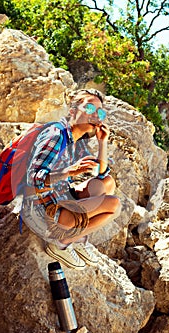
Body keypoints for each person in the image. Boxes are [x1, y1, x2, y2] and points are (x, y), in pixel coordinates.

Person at [22, 88, 121, 270]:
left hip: (60, 200)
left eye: (99, 112)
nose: (96, 115)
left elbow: (100, 172)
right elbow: (34, 178)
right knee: (113, 205)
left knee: (107, 183)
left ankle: (77, 238)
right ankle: (63, 242)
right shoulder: (56, 135)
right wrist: (68, 172)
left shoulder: (74, 140)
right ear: (73, 111)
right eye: (89, 108)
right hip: (43, 211)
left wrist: (102, 143)